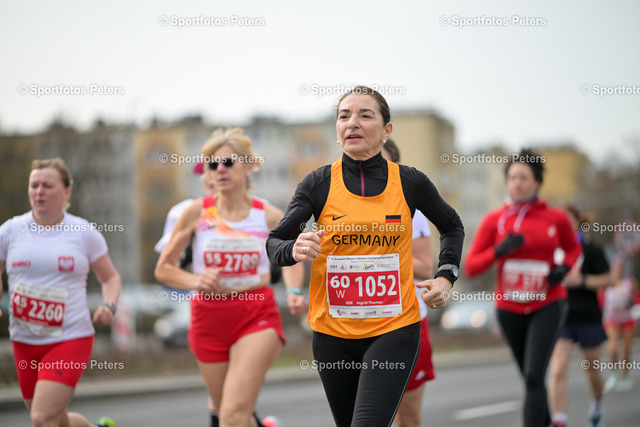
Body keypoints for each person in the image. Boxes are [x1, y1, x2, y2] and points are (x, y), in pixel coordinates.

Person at [266, 86, 464, 426]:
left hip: (394, 328)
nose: (352, 123)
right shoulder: (318, 184)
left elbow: (452, 226)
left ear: (387, 130)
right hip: (332, 334)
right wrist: (294, 249)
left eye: (365, 115)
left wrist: (446, 277)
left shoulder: (410, 182)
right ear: (337, 129)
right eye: (344, 116)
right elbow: (274, 243)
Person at [155, 128, 305, 427]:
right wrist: (196, 281)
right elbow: (164, 269)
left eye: (228, 162)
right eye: (213, 164)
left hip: (255, 314)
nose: (219, 169)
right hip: (208, 318)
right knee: (231, 413)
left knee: (232, 414)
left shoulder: (267, 215)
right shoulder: (196, 213)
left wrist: (294, 292)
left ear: (248, 167)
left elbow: (291, 257)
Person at [0, 158, 121, 427]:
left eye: (47, 185)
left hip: (70, 337)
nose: (39, 191)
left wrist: (109, 305)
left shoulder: (83, 232)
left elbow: (110, 277)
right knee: (54, 418)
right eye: (34, 185)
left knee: (42, 418)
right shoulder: (10, 231)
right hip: (24, 340)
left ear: (67, 192)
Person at [464, 149, 582, 427]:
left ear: (537, 182)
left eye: (524, 177)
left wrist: (564, 268)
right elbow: (471, 266)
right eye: (512, 177)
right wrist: (499, 250)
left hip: (547, 303)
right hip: (509, 308)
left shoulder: (555, 217)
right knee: (531, 379)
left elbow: (573, 247)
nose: (517, 183)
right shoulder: (494, 220)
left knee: (533, 375)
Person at [381, 139, 435, 427]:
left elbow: (426, 268)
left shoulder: (411, 209)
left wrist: (381, 255)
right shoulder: (341, 210)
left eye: (380, 162)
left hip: (407, 320)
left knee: (407, 417)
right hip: (360, 323)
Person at [548, 205, 612, 427]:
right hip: (561, 317)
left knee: (592, 371)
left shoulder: (591, 248)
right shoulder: (553, 249)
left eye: (568, 220)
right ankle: (559, 420)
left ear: (577, 222)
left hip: (588, 317)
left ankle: (597, 407)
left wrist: (582, 281)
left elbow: (610, 279)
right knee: (558, 370)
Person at [603, 257, 638, 393]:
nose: (618, 270)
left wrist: (636, 308)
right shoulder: (606, 281)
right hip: (611, 319)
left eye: (620, 267)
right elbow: (600, 298)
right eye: (616, 267)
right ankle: (615, 373)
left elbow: (637, 297)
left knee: (625, 350)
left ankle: (625, 376)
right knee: (612, 348)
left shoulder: (630, 282)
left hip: (627, 319)